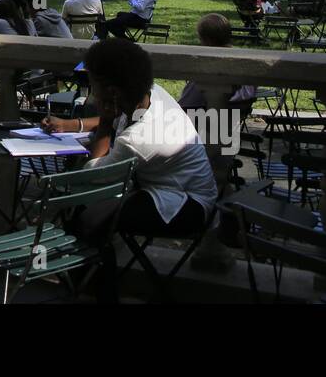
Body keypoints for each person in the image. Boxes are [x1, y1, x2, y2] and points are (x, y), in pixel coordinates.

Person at [46, 37, 218, 303]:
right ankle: (90, 285)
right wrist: (72, 125)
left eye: (93, 84)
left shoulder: (140, 138)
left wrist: (104, 122)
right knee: (88, 214)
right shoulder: (151, 94)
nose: (91, 91)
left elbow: (94, 176)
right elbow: (120, 118)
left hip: (185, 205)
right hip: (169, 187)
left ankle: (94, 291)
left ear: (112, 92)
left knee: (86, 211)